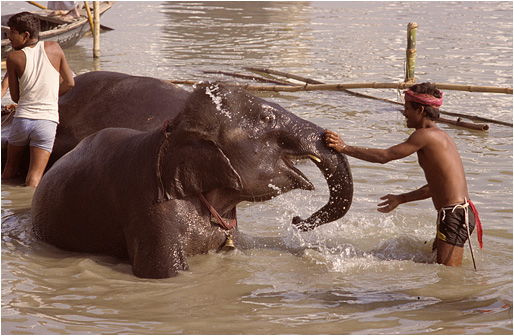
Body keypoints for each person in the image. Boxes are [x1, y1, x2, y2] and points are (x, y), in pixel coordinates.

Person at [324, 82, 482, 267]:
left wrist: (344, 148)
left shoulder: (424, 135)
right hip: (456, 214)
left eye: (407, 108)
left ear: (420, 110)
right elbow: (436, 187)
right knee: (436, 268)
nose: (404, 113)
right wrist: (401, 198)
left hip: (454, 216)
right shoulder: (441, 136)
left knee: (450, 281)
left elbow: (385, 156)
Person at [2, 11, 74, 187]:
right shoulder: (55, 48)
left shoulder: (13, 57)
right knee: (34, 179)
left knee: (9, 171)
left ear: (25, 35)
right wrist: (49, 96)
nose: (8, 36)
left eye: (12, 32)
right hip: (47, 122)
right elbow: (70, 82)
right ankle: (26, 213)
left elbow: (16, 96)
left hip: (23, 120)